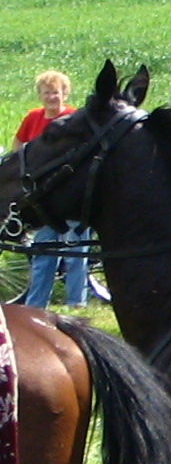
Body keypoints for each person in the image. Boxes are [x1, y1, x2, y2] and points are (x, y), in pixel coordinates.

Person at [11, 71, 89, 308]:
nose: (51, 97)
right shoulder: (33, 118)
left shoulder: (73, 118)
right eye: (47, 92)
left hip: (70, 197)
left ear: (65, 94)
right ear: (40, 95)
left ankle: (76, 303)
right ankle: (36, 305)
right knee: (43, 252)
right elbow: (18, 144)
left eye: (55, 92)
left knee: (75, 251)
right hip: (43, 199)